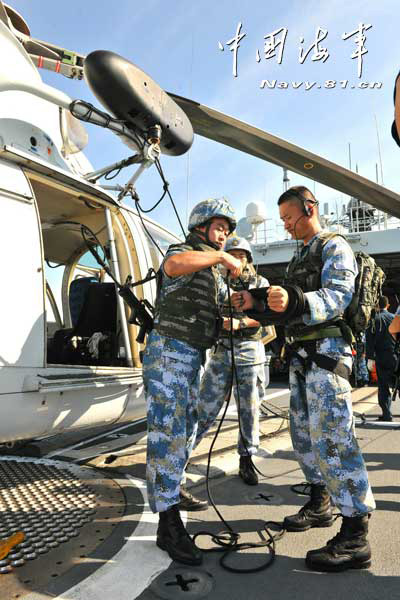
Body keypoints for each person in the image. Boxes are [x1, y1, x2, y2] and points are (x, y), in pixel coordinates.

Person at [231, 186, 375, 573]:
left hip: (327, 355)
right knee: (304, 435)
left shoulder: (334, 245)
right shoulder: (300, 254)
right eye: (281, 221)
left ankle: (355, 535)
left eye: (290, 218)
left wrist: (293, 300)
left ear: (309, 209)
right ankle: (321, 502)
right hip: (301, 358)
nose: (286, 225)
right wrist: (257, 304)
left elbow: (338, 296)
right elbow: (286, 308)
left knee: (334, 437)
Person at [142, 198, 242, 566]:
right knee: (167, 433)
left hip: (192, 356)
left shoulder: (213, 270)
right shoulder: (184, 251)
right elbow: (173, 265)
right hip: (169, 352)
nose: (225, 235)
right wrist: (221, 257)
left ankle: (171, 493)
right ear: (201, 225)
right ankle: (168, 525)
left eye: (228, 231)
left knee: (184, 429)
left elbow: (218, 315)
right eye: (220, 227)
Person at [194, 237, 269, 485]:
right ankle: (183, 453)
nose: (237, 259)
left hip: (249, 351)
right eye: (232, 254)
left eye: (241, 255)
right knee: (204, 406)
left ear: (248, 258)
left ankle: (247, 459)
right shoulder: (216, 283)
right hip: (221, 351)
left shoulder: (260, 283)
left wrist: (242, 323)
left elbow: (269, 318)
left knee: (249, 409)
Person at [366, 296, 396, 421]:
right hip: (396, 356)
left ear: (376, 306)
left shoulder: (373, 320)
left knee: (383, 385)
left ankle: (387, 414)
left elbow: (369, 340)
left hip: (381, 356)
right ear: (388, 305)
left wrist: (370, 358)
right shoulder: (395, 318)